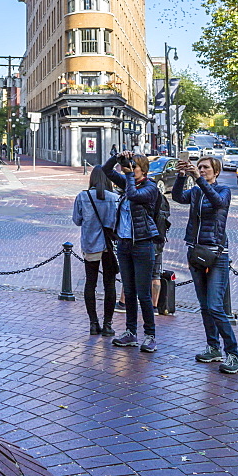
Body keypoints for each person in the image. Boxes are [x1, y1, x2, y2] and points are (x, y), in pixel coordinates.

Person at [173, 156, 238, 374]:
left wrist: (198, 180)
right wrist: (182, 176)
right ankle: (213, 347)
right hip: (196, 251)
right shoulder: (195, 192)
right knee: (204, 306)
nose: (202, 170)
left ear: (216, 172)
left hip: (216, 254)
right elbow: (176, 196)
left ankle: (234, 355)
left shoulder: (223, 191)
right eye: (199, 167)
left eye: (206, 168)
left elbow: (217, 203)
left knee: (215, 306)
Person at [102, 151, 160, 352]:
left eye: (133, 166)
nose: (129, 169)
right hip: (125, 244)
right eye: (129, 166)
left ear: (143, 169)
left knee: (143, 293)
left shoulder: (150, 187)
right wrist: (117, 158)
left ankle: (150, 335)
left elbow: (134, 195)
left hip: (143, 244)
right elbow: (106, 171)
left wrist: (127, 175)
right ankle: (130, 332)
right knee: (129, 290)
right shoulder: (128, 183)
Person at [72, 166, 119, 336]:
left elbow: (77, 220)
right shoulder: (114, 198)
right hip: (109, 246)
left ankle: (93, 323)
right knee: (110, 284)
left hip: (91, 244)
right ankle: (108, 324)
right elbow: (117, 224)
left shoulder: (82, 197)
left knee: (90, 283)